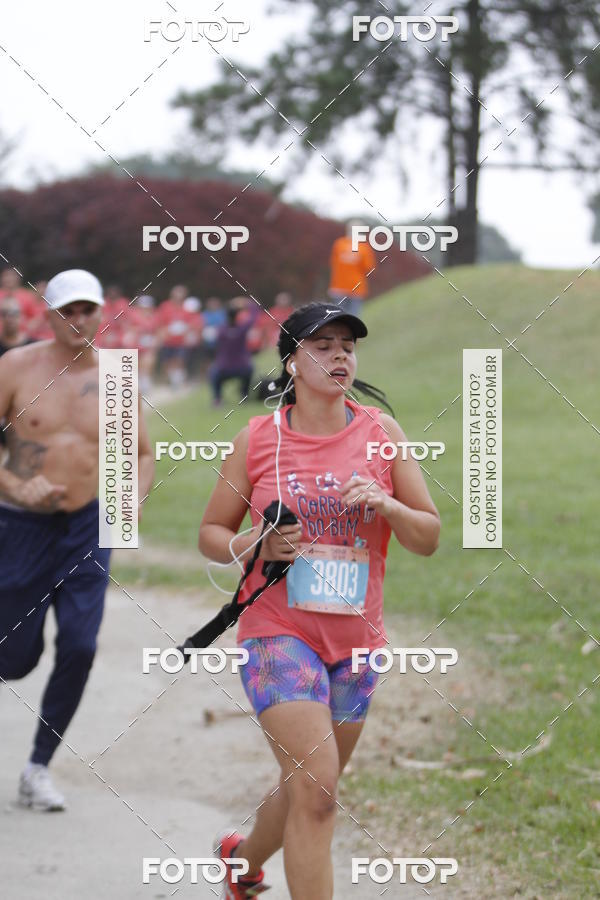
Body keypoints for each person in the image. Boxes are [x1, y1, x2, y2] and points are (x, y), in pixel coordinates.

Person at [198, 301, 441, 899]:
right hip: (277, 631)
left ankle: (244, 861)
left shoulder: (382, 436)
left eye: (347, 346)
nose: (339, 355)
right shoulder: (258, 439)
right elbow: (210, 536)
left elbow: (428, 537)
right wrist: (254, 540)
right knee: (320, 789)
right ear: (291, 361)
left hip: (357, 643)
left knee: (307, 783)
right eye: (322, 345)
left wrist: (387, 506)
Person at [0, 269, 154, 811]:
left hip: (90, 522)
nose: (79, 320)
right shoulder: (15, 366)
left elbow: (140, 453)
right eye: (68, 310)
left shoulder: (115, 377)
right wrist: (18, 483)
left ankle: (38, 766)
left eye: (88, 309)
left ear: (101, 314)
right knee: (13, 659)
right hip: (20, 524)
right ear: (49, 314)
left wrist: (131, 498)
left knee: (82, 645)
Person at [208, 297, 261, 407]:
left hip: (223, 368)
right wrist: (248, 303)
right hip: (242, 368)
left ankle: (217, 398)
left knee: (212, 372)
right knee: (250, 369)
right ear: (237, 316)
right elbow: (254, 316)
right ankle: (244, 396)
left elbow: (213, 344)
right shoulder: (242, 329)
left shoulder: (221, 330)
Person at [155, 285, 203, 387]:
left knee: (180, 360)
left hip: (182, 340)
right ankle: (173, 379)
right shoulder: (165, 306)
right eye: (177, 293)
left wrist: (187, 328)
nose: (179, 296)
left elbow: (196, 320)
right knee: (167, 362)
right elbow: (159, 322)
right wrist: (162, 332)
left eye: (181, 293)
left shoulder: (188, 306)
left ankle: (178, 381)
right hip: (168, 339)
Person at [328, 220, 377, 317]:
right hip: (340, 288)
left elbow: (369, 267)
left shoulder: (364, 247)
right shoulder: (340, 244)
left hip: (355, 289)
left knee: (351, 318)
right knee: (339, 318)